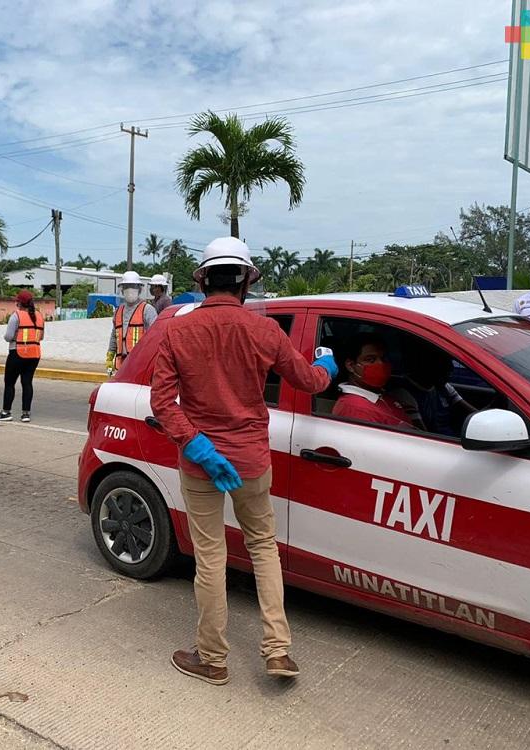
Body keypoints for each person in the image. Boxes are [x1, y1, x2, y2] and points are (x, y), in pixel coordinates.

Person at [150, 236, 338, 686]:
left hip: (201, 465)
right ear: (245, 283)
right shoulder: (265, 331)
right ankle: (278, 651)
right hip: (252, 460)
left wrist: (197, 445)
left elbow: (162, 402)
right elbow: (309, 381)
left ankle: (212, 659)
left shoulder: (177, 330)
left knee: (210, 556)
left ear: (203, 281)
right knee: (263, 547)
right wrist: (328, 367)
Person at [392, 344, 475, 436]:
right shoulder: (405, 394)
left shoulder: (444, 387)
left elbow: (471, 411)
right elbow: (424, 435)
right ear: (427, 365)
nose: (450, 369)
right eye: (443, 364)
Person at [332, 333, 411, 428]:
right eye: (370, 360)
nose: (380, 364)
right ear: (351, 365)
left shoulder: (382, 395)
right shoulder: (356, 408)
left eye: (383, 359)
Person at [0, 290, 44, 423]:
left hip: (17, 352)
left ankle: (6, 412)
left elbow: (8, 337)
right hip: (34, 354)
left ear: (19, 302)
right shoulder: (39, 316)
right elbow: (41, 337)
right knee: (27, 383)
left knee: (9, 383)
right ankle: (26, 414)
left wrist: (14, 337)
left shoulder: (16, 316)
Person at [106, 270, 157, 375]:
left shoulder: (147, 310)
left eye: (133, 287)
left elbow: (156, 337)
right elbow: (114, 336)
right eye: (126, 287)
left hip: (141, 364)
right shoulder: (118, 311)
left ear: (139, 289)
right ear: (122, 290)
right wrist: (110, 357)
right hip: (122, 364)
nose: (130, 290)